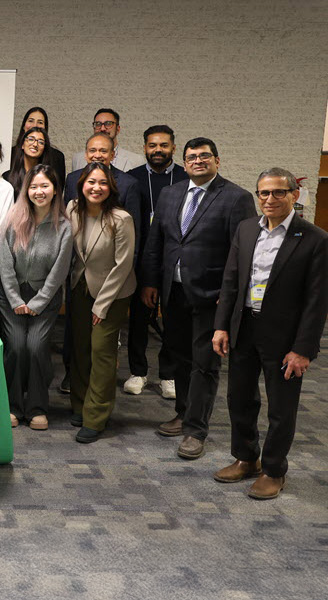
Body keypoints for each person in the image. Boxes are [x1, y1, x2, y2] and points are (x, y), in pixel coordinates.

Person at [212, 168, 328, 500]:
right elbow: (230, 281)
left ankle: (274, 470)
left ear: (294, 195)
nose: (270, 199)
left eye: (278, 192)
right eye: (263, 193)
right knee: (239, 398)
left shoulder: (315, 239)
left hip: (285, 336)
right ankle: (246, 458)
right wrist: (221, 325)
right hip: (244, 327)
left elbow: (317, 302)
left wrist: (303, 349)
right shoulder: (247, 229)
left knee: (281, 406)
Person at [142, 138, 256, 461]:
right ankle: (183, 413)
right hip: (174, 292)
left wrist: (231, 297)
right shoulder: (171, 193)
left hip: (213, 298)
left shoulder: (237, 198)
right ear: (185, 162)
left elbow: (242, 254)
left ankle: (195, 430)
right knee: (180, 356)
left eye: (205, 156)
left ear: (217, 161)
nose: (197, 161)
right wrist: (151, 282)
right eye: (191, 157)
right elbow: (156, 242)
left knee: (205, 364)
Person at [0, 165, 72, 431]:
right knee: (17, 346)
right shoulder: (13, 219)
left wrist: (38, 302)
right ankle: (12, 406)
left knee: (36, 346)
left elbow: (59, 270)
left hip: (45, 297)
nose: (39, 192)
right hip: (11, 296)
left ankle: (38, 407)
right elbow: (5, 263)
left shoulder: (64, 227)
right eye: (34, 187)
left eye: (44, 186)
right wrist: (16, 299)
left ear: (54, 190)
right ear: (26, 190)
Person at [67, 162, 137, 444]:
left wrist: (101, 305)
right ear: (81, 184)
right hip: (80, 286)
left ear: (111, 188)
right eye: (91, 182)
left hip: (113, 292)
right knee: (80, 347)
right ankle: (80, 405)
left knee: (101, 351)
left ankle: (96, 416)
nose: (96, 188)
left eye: (103, 183)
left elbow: (123, 265)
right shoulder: (73, 209)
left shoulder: (121, 219)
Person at [124, 125, 189, 397]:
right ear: (144, 148)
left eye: (164, 145)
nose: (158, 150)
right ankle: (138, 372)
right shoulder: (132, 179)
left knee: (174, 320)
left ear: (173, 147)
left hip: (175, 262)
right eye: (152, 145)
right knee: (139, 319)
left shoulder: (187, 178)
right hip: (142, 260)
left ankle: (168, 375)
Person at [63, 135, 143, 248]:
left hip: (111, 256)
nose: (97, 155)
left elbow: (134, 232)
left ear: (112, 155)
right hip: (77, 254)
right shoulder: (72, 179)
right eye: (92, 150)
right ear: (86, 155)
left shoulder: (128, 184)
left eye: (103, 151)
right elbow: (66, 221)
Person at [10, 107, 66, 188]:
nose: (35, 125)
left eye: (40, 122)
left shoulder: (57, 157)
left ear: (45, 128)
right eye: (31, 121)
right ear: (23, 125)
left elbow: (58, 189)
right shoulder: (11, 153)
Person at [70, 108, 140, 173]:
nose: (102, 128)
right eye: (98, 124)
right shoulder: (78, 159)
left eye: (108, 124)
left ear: (118, 129)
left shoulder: (135, 160)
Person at [4, 126, 55, 199]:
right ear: (22, 145)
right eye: (31, 139)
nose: (35, 144)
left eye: (41, 142)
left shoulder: (49, 177)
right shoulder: (8, 177)